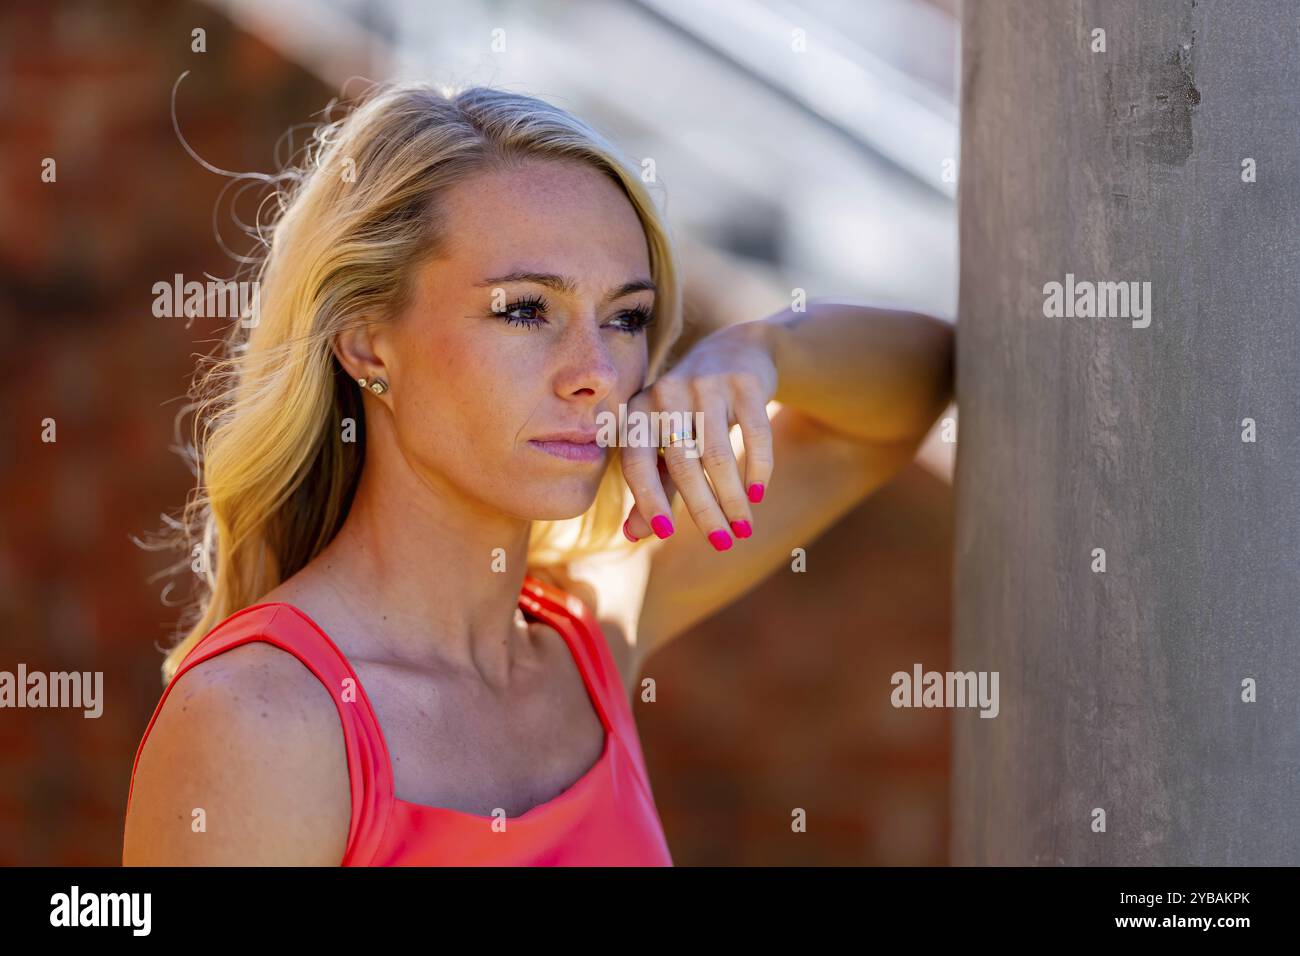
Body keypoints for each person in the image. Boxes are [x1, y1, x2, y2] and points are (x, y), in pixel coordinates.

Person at [121, 82, 954, 865]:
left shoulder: (591, 629)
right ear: (367, 340)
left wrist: (763, 351)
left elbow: (915, 394)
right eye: (525, 310)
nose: (595, 372)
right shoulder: (259, 720)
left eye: (626, 318)